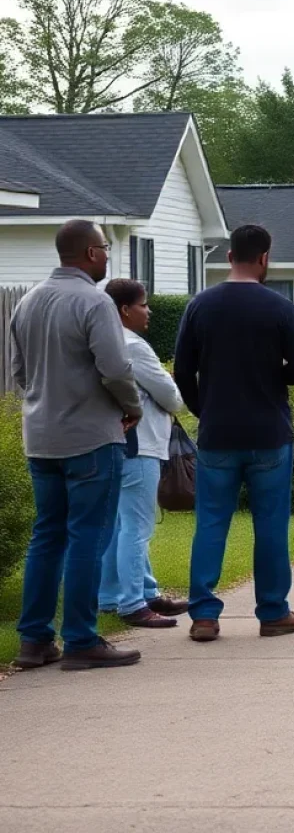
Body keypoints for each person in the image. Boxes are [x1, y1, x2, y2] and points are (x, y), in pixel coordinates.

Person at [11, 220, 144, 671]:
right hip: (90, 437)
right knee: (88, 535)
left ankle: (34, 641)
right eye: (105, 248)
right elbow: (114, 368)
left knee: (47, 536)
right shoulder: (94, 301)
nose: (108, 255)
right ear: (90, 253)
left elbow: (20, 373)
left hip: (41, 437)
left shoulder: (27, 301)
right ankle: (82, 639)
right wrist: (132, 407)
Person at [174, 224, 294, 643]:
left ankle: (203, 614)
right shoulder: (278, 307)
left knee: (211, 523)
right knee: (270, 524)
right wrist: (273, 376)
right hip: (269, 430)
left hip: (218, 431)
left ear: (229, 255)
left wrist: (205, 407)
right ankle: (273, 611)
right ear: (264, 257)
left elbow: (183, 370)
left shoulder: (200, 305)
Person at [98, 280, 188, 628]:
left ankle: (116, 594)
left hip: (112, 444)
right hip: (141, 444)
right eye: (143, 304)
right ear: (124, 309)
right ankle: (134, 603)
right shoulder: (134, 346)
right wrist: (168, 381)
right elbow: (171, 397)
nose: (148, 311)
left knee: (118, 524)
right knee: (137, 527)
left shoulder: (101, 343)